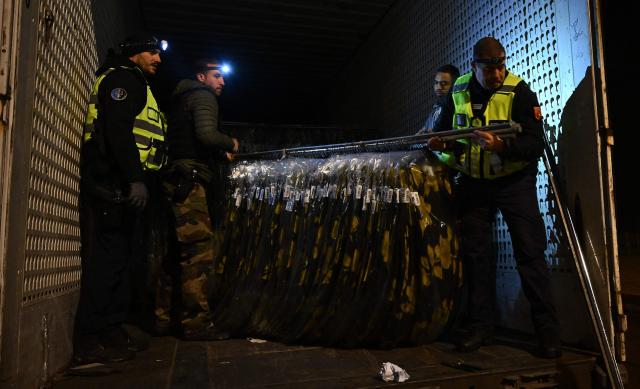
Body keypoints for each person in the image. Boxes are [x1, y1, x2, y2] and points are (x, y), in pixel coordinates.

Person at [428, 37, 561, 358]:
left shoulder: (519, 92)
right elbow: (447, 135)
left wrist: (501, 147)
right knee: (476, 256)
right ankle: (480, 328)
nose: (497, 75)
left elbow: (534, 143)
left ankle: (547, 334)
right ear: (474, 66)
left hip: (514, 182)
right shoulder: (458, 92)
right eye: (490, 69)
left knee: (530, 254)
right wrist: (443, 146)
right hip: (474, 182)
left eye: (501, 66)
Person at [73, 32, 167, 364]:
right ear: (133, 54)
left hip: (125, 184)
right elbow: (117, 130)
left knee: (124, 259)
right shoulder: (123, 80)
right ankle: (89, 338)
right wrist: (134, 180)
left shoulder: (136, 82)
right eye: (151, 52)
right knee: (109, 260)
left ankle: (111, 328)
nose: (158, 58)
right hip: (115, 183)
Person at [161, 58, 239, 340]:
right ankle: (195, 324)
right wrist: (230, 144)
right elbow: (206, 135)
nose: (222, 82)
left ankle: (162, 319)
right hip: (190, 183)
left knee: (172, 254)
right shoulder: (203, 96)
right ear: (201, 77)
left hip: (174, 180)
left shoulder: (180, 99)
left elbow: (190, 139)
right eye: (217, 76)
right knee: (197, 254)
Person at [416, 64, 460, 134]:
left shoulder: (458, 108)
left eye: (444, 83)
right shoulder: (435, 109)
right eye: (436, 83)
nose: (438, 87)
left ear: (455, 85)